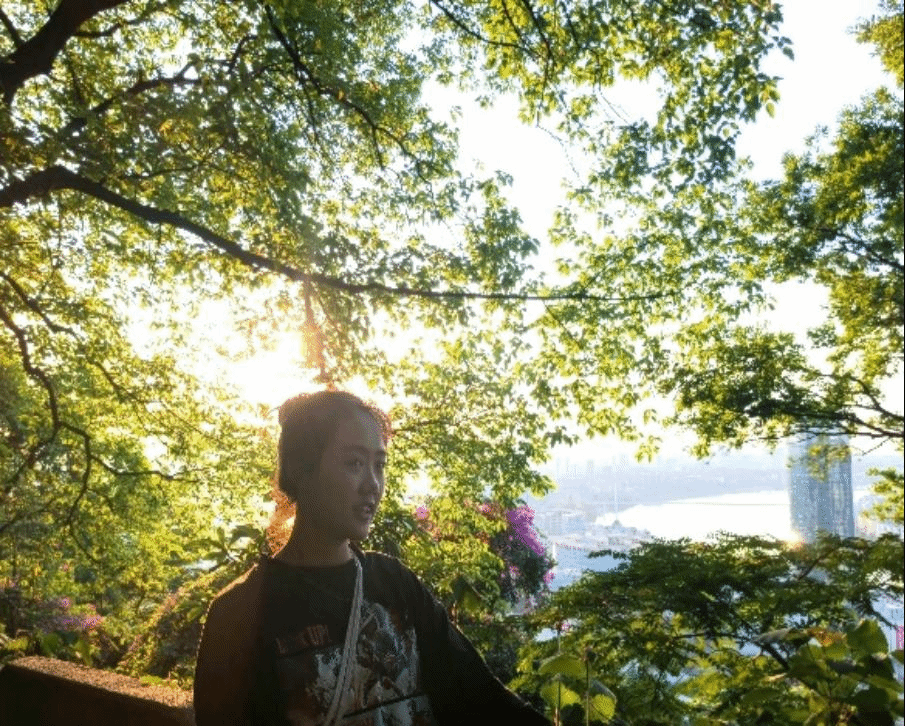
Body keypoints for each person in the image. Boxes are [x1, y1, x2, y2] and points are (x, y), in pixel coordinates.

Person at [194, 390, 550, 725]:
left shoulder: (394, 584)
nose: (373, 484)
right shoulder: (239, 614)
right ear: (301, 470)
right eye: (354, 463)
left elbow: (480, 696)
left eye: (379, 465)